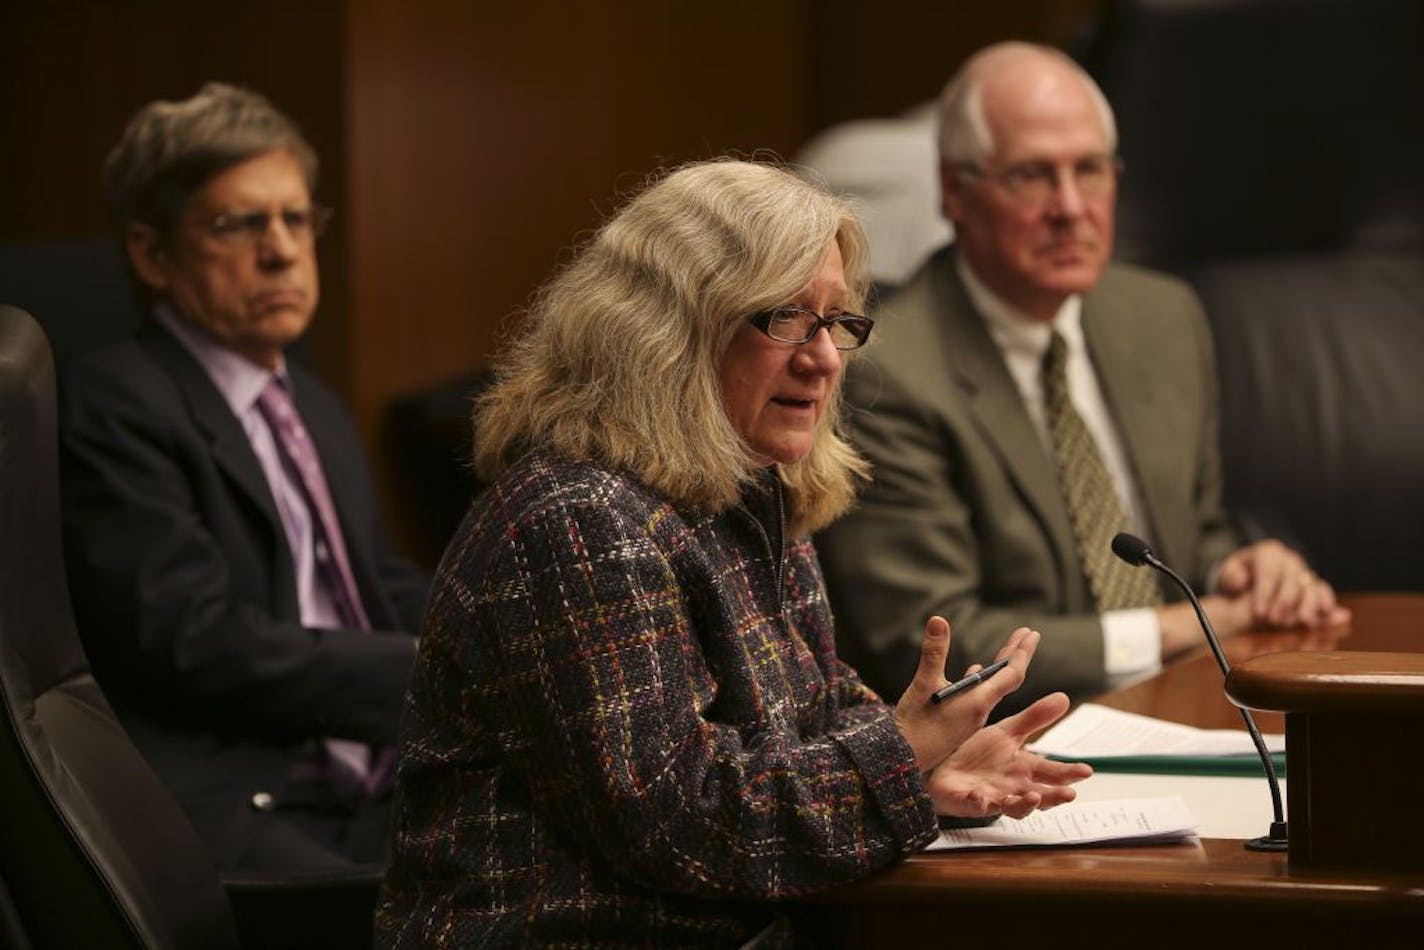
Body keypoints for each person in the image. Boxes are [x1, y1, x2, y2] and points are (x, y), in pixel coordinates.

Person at [375, 159, 1091, 948]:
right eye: (785, 317)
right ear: (668, 330)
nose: (823, 358)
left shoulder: (751, 493)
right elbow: (680, 821)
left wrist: (931, 767)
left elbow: (813, 717)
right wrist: (901, 755)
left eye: (837, 322)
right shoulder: (580, 523)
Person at [815, 42, 1349, 705]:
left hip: (1188, 707)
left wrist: (1240, 570)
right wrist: (1193, 623)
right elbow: (936, 646)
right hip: (1018, 740)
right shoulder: (886, 373)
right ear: (956, 191)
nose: (1070, 206)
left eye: (1090, 169)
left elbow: (1193, 529)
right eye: (1032, 175)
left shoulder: (1162, 316)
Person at [58, 83, 430, 871]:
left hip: (377, 773)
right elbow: (196, 641)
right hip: (250, 794)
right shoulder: (112, 405)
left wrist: (499, 627)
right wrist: (432, 669)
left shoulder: (314, 406)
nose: (283, 250)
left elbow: (374, 584)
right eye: (240, 224)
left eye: (297, 218)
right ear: (151, 254)